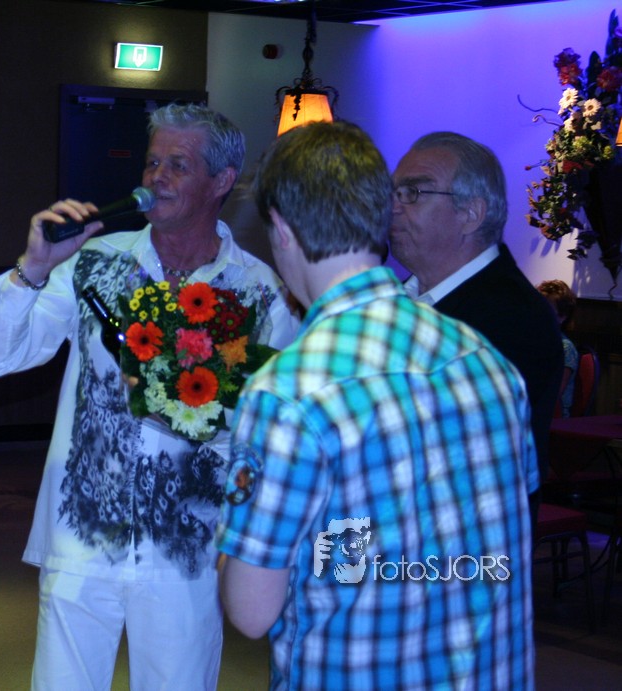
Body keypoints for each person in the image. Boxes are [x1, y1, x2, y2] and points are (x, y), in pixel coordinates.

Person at [0, 102, 299, 690]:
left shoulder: (258, 291)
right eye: (152, 163)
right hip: (80, 536)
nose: (157, 178)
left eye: (178, 165)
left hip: (187, 550)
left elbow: (274, 431)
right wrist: (32, 269)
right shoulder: (95, 262)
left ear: (222, 180)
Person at [215, 120, 537, 690]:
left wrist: (230, 547)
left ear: (282, 229)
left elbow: (250, 611)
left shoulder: (290, 391)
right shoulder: (485, 359)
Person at [386, 131, 563, 528]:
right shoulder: (397, 299)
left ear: (471, 213)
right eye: (393, 193)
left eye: (413, 193)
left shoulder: (513, 318)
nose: (393, 208)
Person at [536, 279, 579, 417]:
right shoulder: (532, 342)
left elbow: (553, 393)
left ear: (562, 317)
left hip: (553, 417)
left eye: (546, 309)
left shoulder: (565, 348)